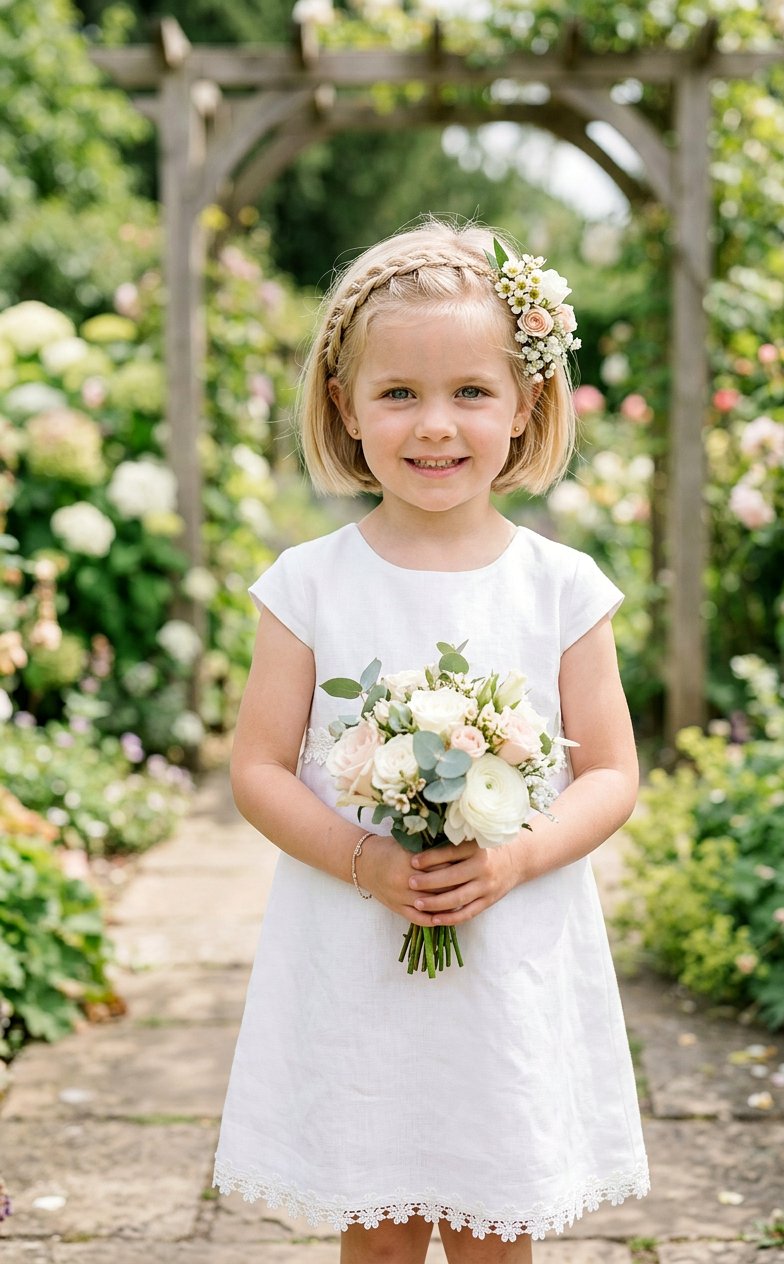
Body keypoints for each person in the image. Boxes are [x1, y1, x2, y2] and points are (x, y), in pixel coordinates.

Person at [212, 218, 649, 1263]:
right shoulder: (309, 583)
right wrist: (364, 859)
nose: (434, 425)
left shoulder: (557, 588)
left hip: (507, 939)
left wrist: (518, 853)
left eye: (469, 392)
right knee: (379, 1208)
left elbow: (612, 772)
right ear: (344, 407)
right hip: (356, 942)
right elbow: (257, 768)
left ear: (525, 403)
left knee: (495, 1210)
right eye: (397, 393)